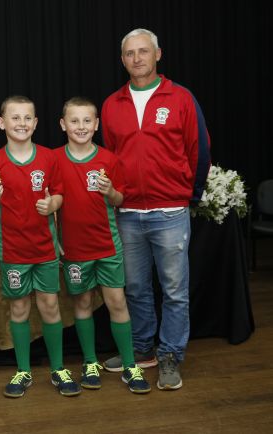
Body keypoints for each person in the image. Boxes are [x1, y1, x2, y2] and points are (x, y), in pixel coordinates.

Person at [101, 28, 211, 390]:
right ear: (122, 60)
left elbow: (199, 149)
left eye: (143, 51)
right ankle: (142, 348)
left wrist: (189, 194)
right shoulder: (112, 104)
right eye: (130, 53)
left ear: (158, 54)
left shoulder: (180, 98)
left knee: (175, 290)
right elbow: (110, 157)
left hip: (170, 212)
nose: (137, 58)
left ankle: (170, 356)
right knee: (135, 288)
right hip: (128, 213)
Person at [0, 95, 80, 398]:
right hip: (13, 250)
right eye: (15, 117)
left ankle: (58, 368)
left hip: (44, 249)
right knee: (19, 308)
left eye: (27, 118)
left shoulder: (49, 158)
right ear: (2, 123)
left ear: (36, 123)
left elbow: (60, 194)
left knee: (50, 306)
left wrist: (52, 204)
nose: (21, 123)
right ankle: (23, 370)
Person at [54, 97, 150, 394]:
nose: (81, 126)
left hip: (108, 246)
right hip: (74, 249)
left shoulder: (109, 159)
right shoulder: (54, 160)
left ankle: (130, 365)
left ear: (96, 124)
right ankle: (90, 362)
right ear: (63, 125)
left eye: (87, 121)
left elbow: (120, 199)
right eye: (74, 121)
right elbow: (49, 201)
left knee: (117, 302)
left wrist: (110, 192)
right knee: (82, 304)